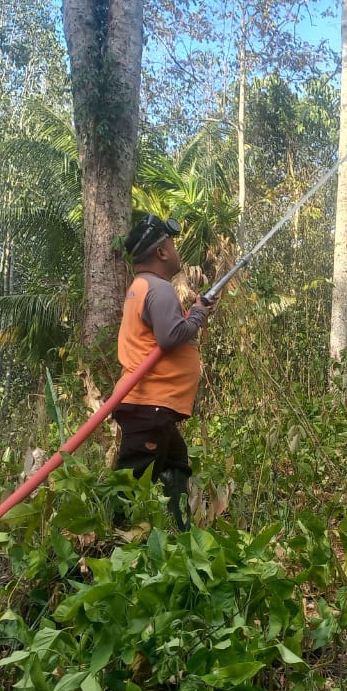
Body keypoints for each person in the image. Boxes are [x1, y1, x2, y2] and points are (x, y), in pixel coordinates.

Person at [113, 214, 215, 529]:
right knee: (133, 478)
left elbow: (166, 332)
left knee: (176, 464)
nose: (175, 250)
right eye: (172, 244)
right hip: (150, 404)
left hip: (152, 406)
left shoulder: (142, 287)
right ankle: (113, 538)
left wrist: (195, 312)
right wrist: (197, 314)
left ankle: (179, 530)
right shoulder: (159, 289)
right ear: (161, 252)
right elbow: (170, 337)